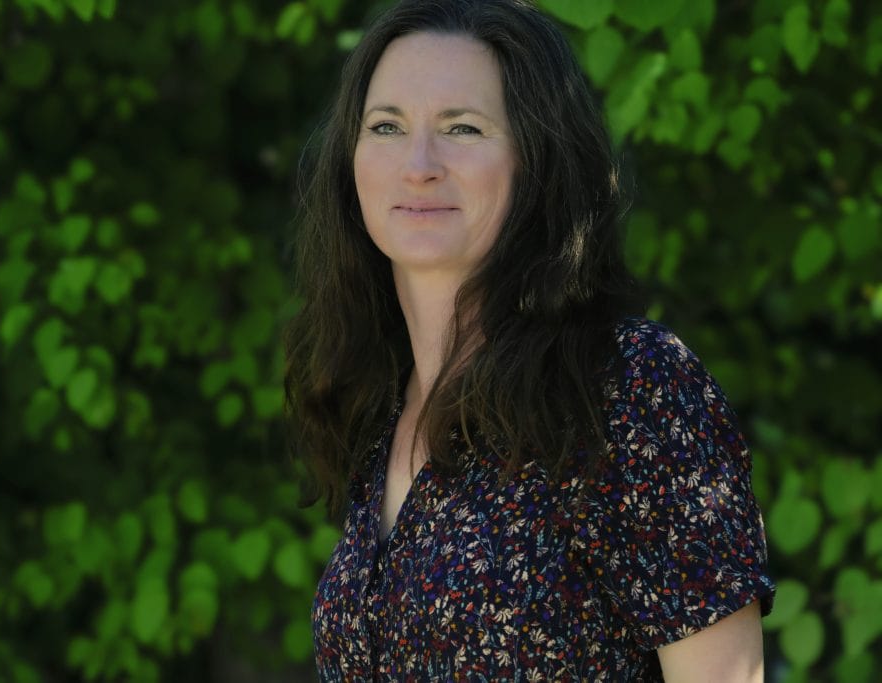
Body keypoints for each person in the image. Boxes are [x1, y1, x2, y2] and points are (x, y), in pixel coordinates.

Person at [284, 0, 776, 680]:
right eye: (386, 126)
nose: (418, 164)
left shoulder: (627, 387)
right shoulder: (380, 405)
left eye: (462, 127)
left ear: (537, 159)